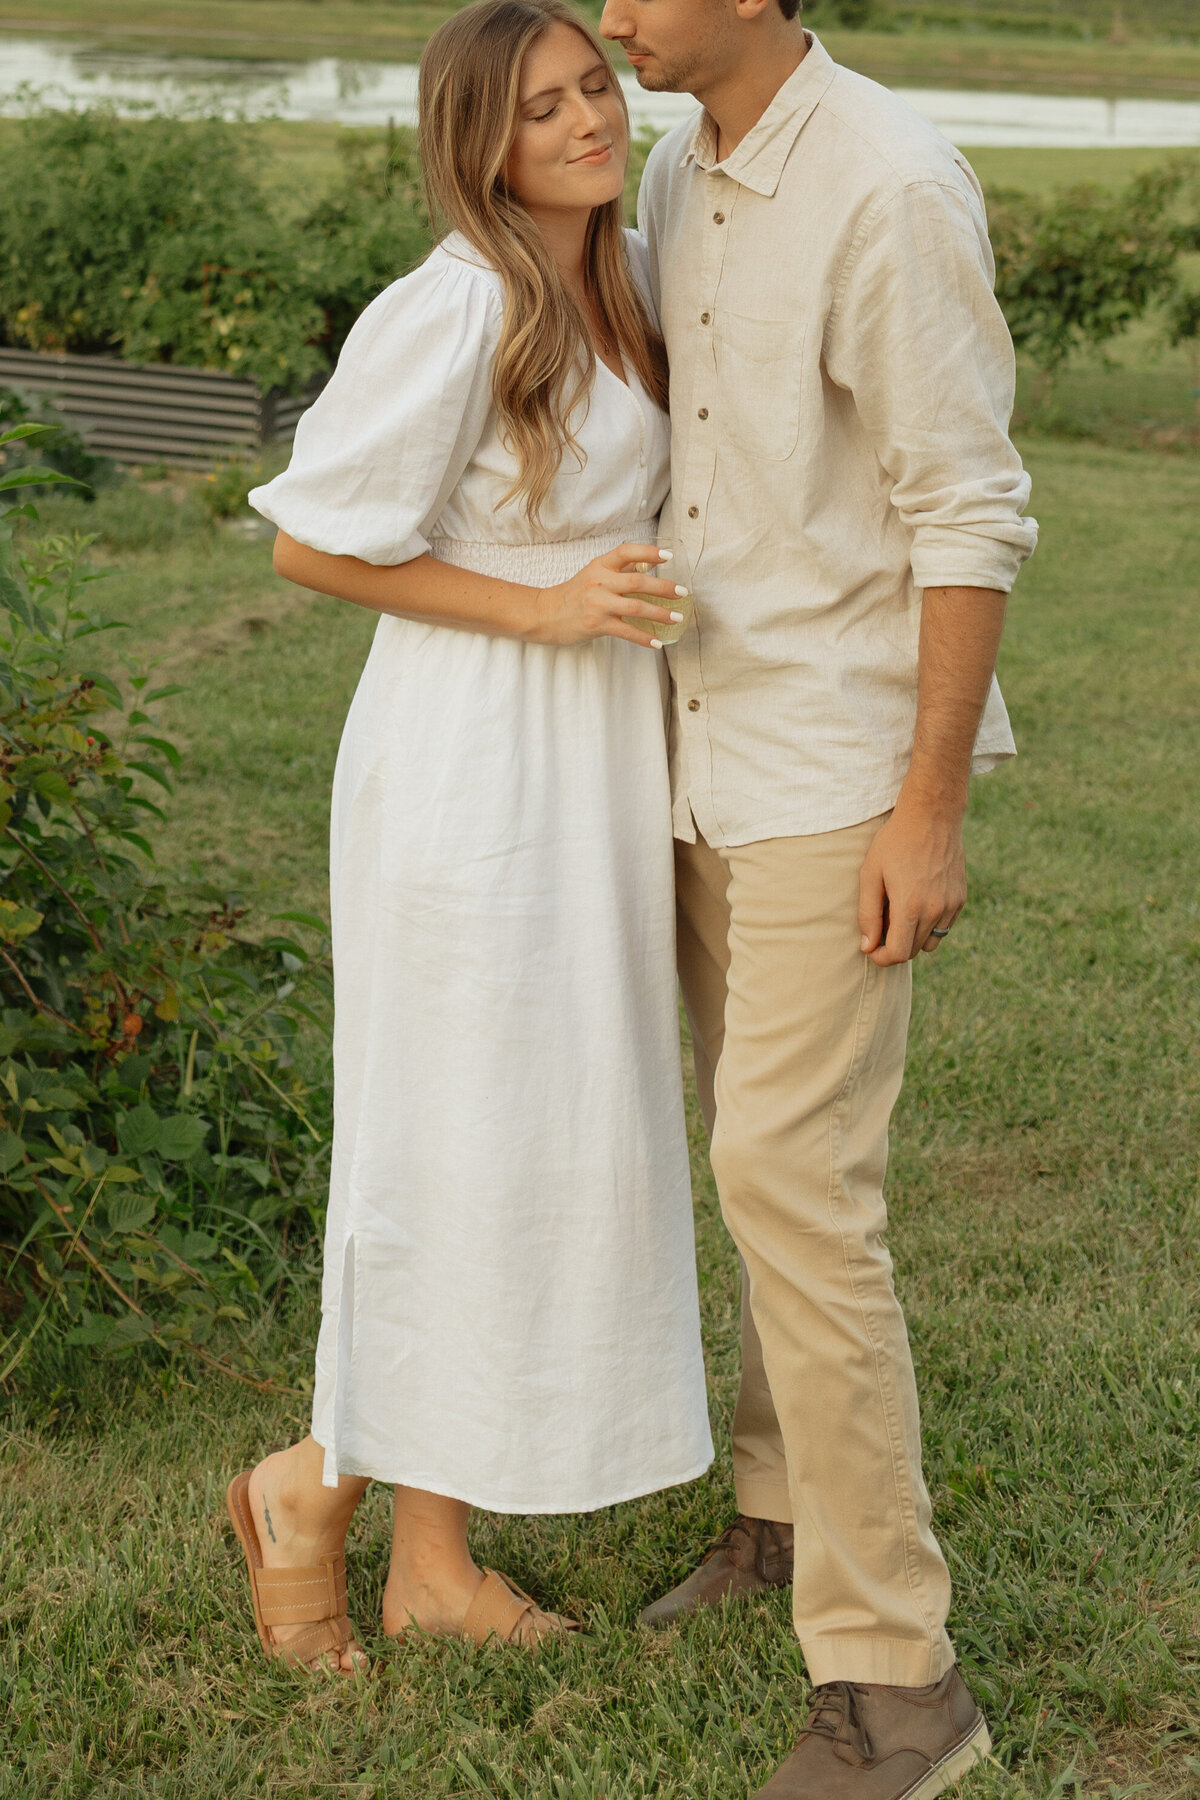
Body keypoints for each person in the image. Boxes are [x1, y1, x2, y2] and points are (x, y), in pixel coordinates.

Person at [228, 0, 713, 1673]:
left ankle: (418, 1550)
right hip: (469, 768)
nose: (587, 121)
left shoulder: (625, 274)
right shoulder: (457, 305)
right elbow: (310, 549)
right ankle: (319, 1489)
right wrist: (551, 598)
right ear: (477, 144)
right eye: (540, 110)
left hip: (586, 762)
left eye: (594, 87)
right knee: (451, 1137)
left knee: (531, 1142)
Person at [598, 0, 1037, 1794]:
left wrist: (926, 812)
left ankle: (900, 1687)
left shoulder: (891, 187)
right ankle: (778, 1519)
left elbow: (971, 510)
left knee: (796, 1180)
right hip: (696, 748)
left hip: (830, 775)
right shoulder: (675, 159)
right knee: (749, 1157)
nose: (611, 8)